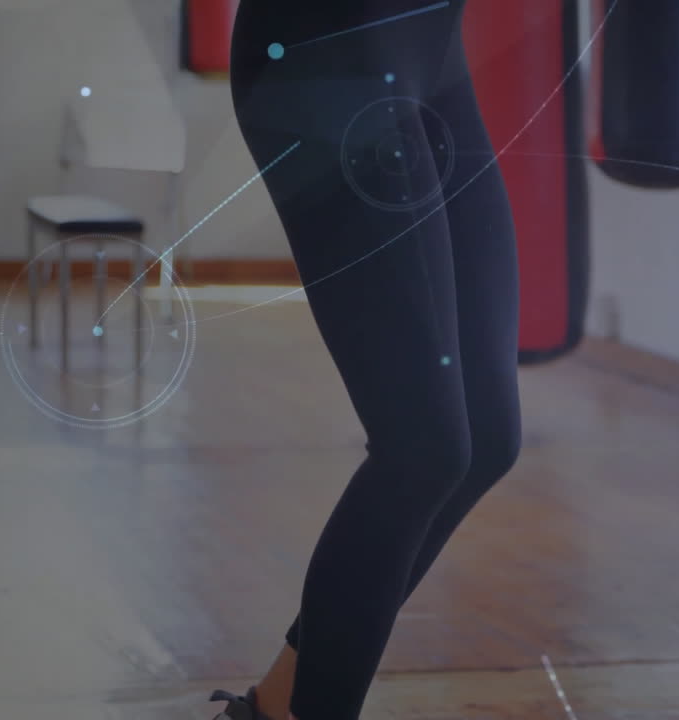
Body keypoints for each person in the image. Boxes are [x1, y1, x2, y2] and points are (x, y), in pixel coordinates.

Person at [212, 1, 522, 718]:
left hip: (431, 52)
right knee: (424, 448)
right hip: (327, 53)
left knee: (487, 439)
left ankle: (272, 709)